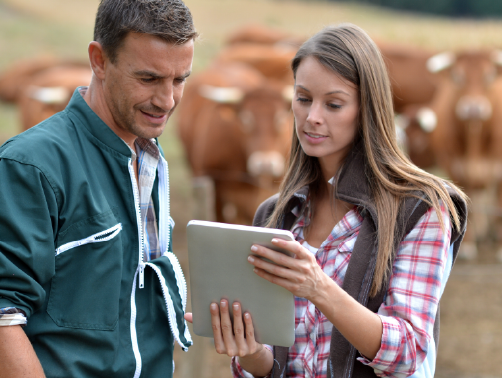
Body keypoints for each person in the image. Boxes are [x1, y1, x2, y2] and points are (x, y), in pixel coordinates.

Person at [190, 23, 468, 378]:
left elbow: (408, 352)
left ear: (368, 109)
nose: (312, 117)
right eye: (303, 98)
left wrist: (318, 288)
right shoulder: (276, 214)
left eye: (333, 104)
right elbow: (270, 367)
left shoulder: (421, 208)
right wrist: (249, 351)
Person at [0, 0, 197, 378]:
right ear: (99, 60)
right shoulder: (29, 167)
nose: (167, 100)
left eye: (180, 80)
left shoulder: (149, 157)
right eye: (149, 79)